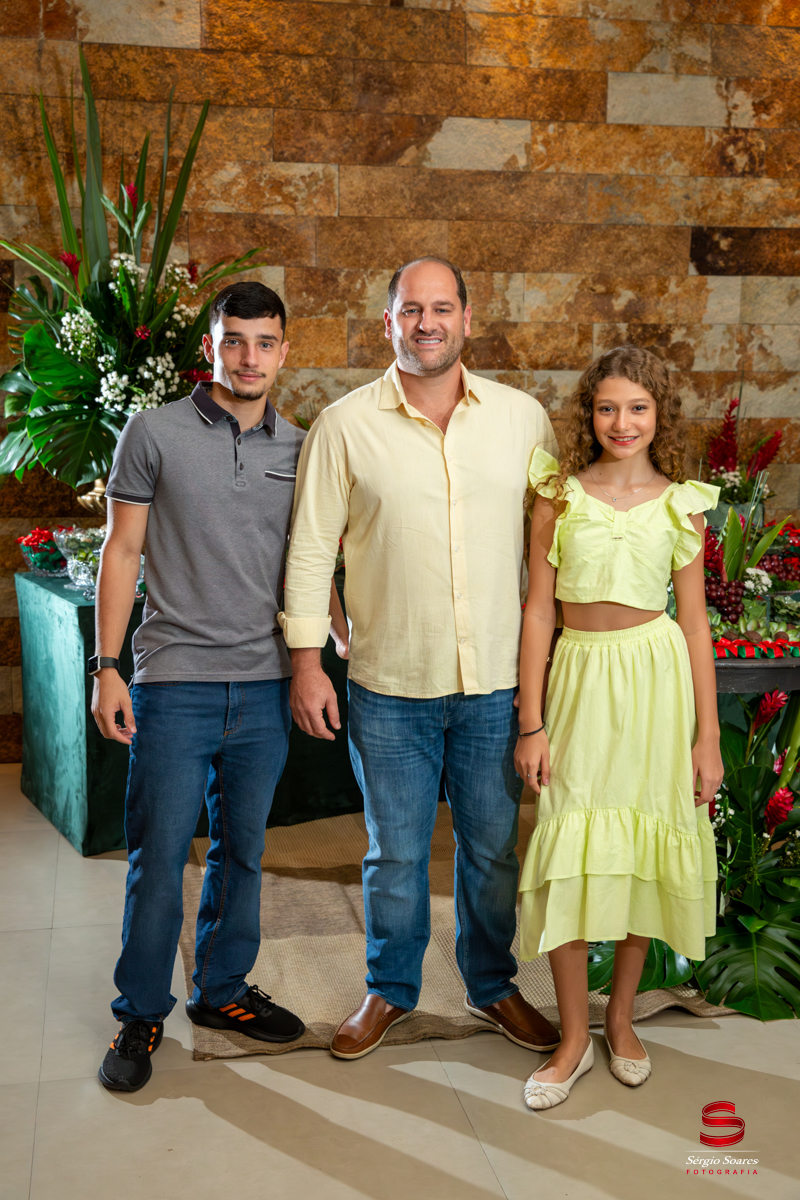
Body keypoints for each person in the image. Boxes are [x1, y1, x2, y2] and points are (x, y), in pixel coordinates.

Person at [279, 256, 561, 1060]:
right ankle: (390, 988)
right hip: (389, 684)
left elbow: (550, 551)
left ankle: (492, 984)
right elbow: (310, 551)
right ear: (388, 323)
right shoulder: (343, 427)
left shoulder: (522, 420)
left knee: (492, 851)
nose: (426, 323)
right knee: (395, 853)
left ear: (468, 319)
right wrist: (308, 662)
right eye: (411, 309)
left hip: (496, 685)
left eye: (441, 308)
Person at [92, 281, 348, 1092]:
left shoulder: (302, 448)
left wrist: (341, 635)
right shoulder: (153, 432)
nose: (248, 358)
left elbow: (312, 559)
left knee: (244, 851)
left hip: (266, 685)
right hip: (175, 681)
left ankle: (222, 990)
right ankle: (139, 1013)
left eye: (264, 342)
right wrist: (107, 667)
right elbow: (121, 551)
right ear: (211, 345)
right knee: (160, 856)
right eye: (233, 340)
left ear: (284, 350)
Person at [515, 344, 723, 1111]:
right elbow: (538, 610)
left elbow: (694, 625)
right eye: (607, 407)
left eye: (637, 407)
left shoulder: (681, 504)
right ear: (589, 414)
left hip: (657, 685)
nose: (622, 421)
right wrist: (531, 721)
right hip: (579, 680)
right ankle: (573, 1038)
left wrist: (707, 737)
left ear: (660, 414)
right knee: (568, 850)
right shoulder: (557, 496)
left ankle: (622, 1020)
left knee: (641, 850)